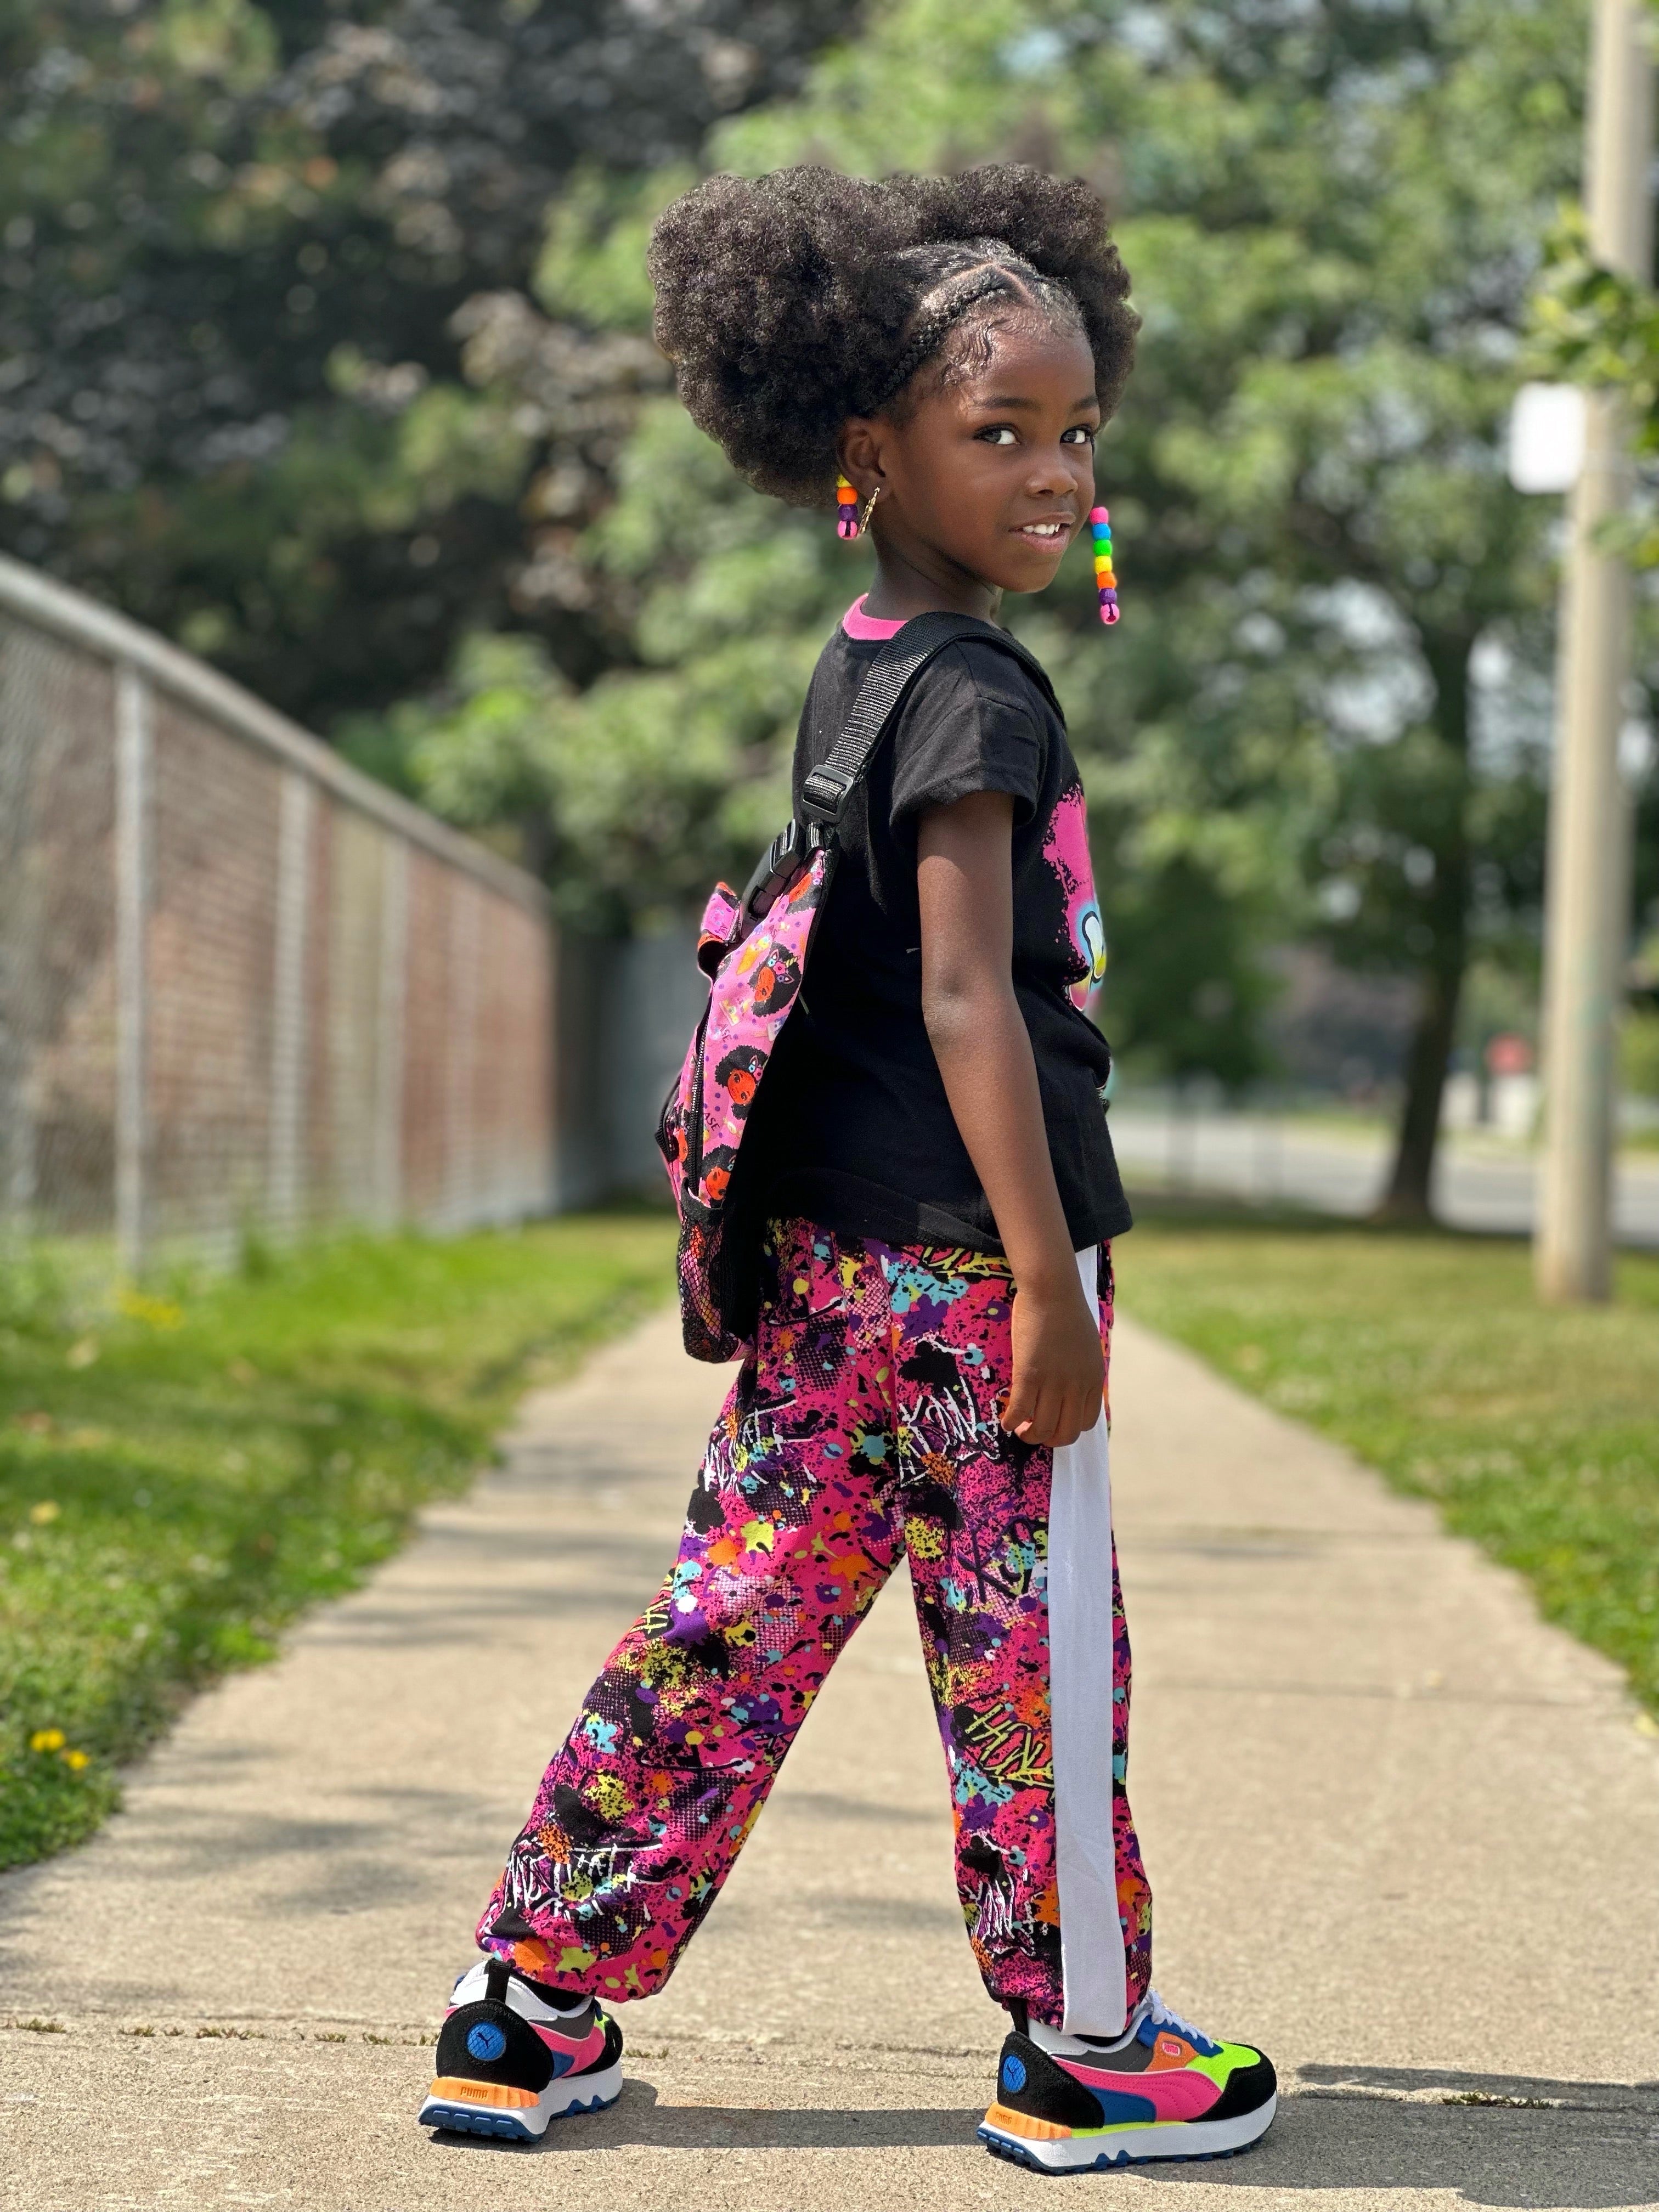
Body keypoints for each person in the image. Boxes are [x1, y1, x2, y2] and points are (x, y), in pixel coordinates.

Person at [416, 162, 1277, 2174]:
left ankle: (529, 2005)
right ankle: (1084, 2046)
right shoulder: (979, 693)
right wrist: (1051, 1286)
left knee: (733, 1623)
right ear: (867, 450)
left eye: (1079, 432)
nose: (1057, 473)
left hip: (829, 1274)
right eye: (1002, 434)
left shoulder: (869, 656)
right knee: (1035, 1648)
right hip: (978, 1278)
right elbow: (973, 998)